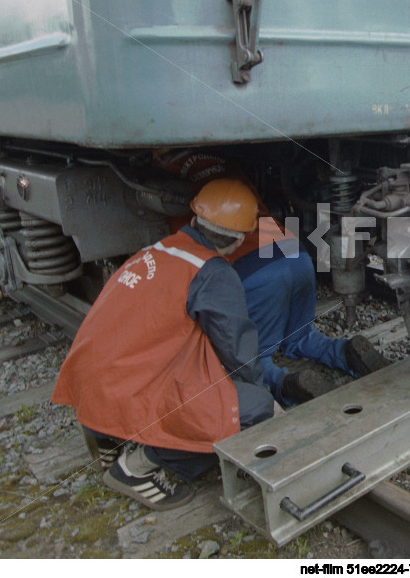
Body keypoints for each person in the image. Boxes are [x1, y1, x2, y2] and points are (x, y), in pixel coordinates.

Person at [52, 179, 278, 510]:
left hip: (91, 389)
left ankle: (104, 435)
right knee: (253, 407)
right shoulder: (212, 272)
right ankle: (135, 468)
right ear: (241, 237)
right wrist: (261, 399)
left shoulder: (154, 251)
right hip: (126, 391)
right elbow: (238, 350)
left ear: (195, 218)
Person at [154, 150, 389, 406]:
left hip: (255, 273)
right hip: (294, 254)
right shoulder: (225, 159)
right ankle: (344, 352)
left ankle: (285, 384)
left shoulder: (161, 180)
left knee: (254, 357)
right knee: (300, 335)